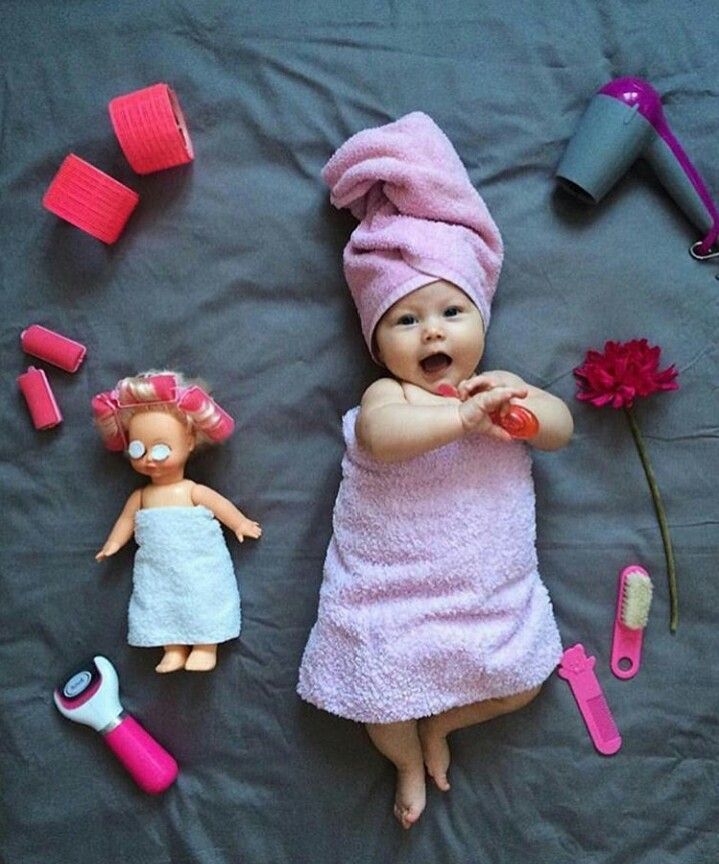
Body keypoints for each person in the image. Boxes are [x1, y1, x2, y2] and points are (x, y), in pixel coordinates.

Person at [297, 113, 573, 828]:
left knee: (523, 681)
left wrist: (523, 410)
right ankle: (406, 760)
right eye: (405, 320)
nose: (432, 331)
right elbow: (384, 440)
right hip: (390, 596)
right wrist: (459, 421)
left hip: (485, 596)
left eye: (452, 310)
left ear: (480, 320)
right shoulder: (387, 396)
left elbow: (560, 431)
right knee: (376, 701)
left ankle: (443, 727)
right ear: (376, 343)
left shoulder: (500, 388)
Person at [93, 370, 261, 672]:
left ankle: (206, 646)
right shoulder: (142, 496)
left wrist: (240, 524)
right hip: (158, 569)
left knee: (202, 599)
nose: (149, 458)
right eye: (138, 449)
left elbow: (221, 506)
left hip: (197, 564)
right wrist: (113, 544)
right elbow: (126, 521)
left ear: (190, 442)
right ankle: (172, 648)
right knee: (160, 602)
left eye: (161, 449)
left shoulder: (192, 490)